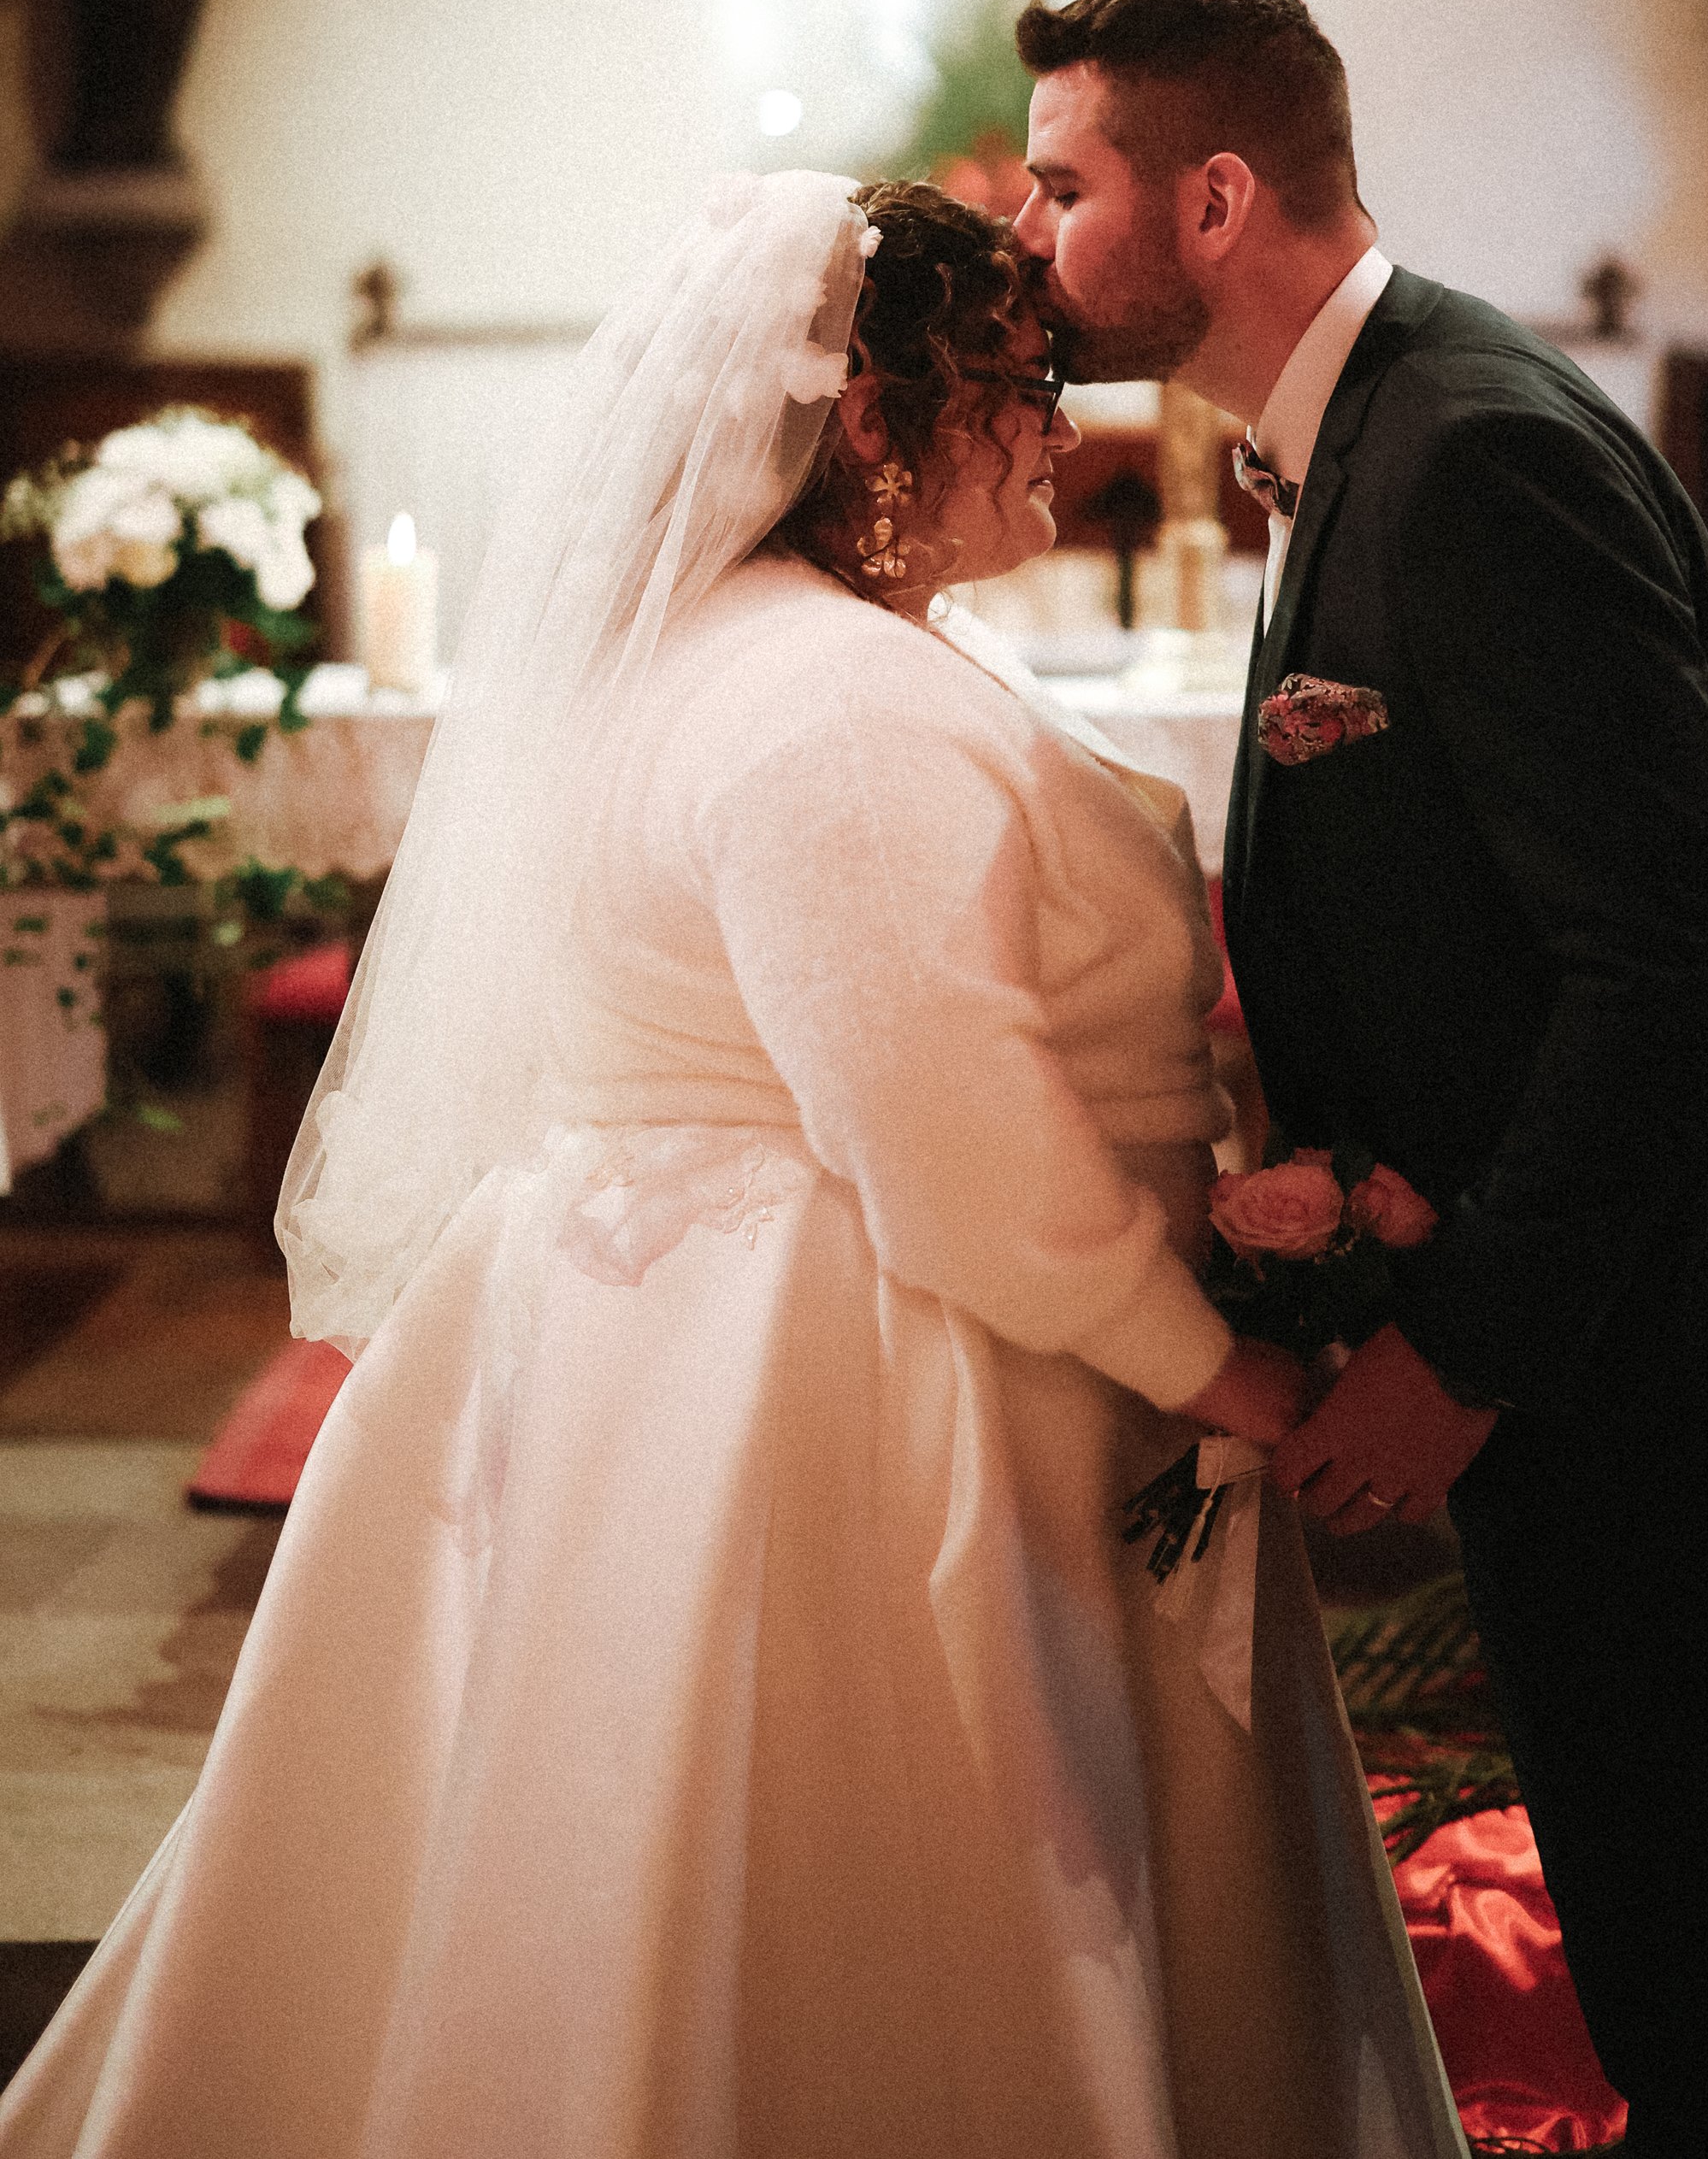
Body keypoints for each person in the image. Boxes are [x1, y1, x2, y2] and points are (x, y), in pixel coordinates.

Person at [0, 171, 1464, 2159]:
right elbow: (946, 1146)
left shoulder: (735, 647)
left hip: (689, 1330)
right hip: (873, 1372)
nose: (1061, 428)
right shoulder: (827, 705)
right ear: (869, 423)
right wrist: (1224, 1366)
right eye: (1017, 385)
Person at [1012, 0, 1708, 2159]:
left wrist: (1461, 1347)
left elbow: (1670, 957)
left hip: (1677, 1335)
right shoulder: (1365, 432)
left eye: (1066, 189)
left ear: (1216, 195)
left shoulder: (1471, 456)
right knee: (1671, 1963)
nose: (1038, 238)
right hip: (1609, 1308)